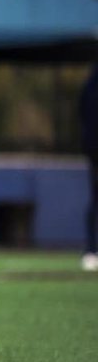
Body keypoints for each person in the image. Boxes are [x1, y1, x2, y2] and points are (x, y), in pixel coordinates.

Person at [80, 64, 98, 271]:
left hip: (92, 149)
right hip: (94, 150)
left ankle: (91, 250)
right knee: (94, 199)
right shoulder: (91, 85)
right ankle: (91, 250)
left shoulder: (89, 84)